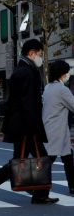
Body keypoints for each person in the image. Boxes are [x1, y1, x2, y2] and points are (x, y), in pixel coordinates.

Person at [0, 39, 57, 205]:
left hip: (21, 124)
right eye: (40, 54)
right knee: (41, 158)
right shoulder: (26, 72)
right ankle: (40, 194)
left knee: (19, 161)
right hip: (27, 125)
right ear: (32, 53)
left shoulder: (22, 70)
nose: (41, 57)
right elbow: (27, 102)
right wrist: (33, 126)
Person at [42, 60, 74, 194]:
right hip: (56, 131)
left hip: (52, 128)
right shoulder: (62, 89)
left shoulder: (48, 87)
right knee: (49, 160)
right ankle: (40, 189)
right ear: (62, 74)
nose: (67, 75)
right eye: (66, 73)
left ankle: (72, 185)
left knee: (68, 158)